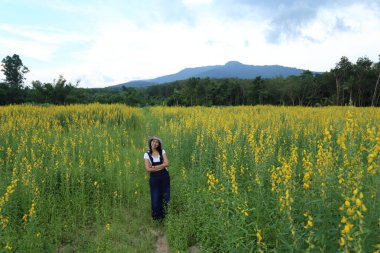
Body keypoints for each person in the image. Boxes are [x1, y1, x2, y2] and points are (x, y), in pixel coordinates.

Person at [144, 136, 170, 220]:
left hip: (164, 177)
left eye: (157, 142)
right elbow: (148, 169)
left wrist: (155, 167)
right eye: (153, 141)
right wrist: (161, 166)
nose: (155, 143)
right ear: (150, 143)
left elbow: (167, 163)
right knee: (155, 197)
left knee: (166, 197)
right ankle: (156, 217)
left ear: (159, 144)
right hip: (154, 179)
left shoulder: (162, 151)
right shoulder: (147, 154)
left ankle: (165, 216)